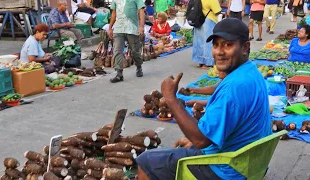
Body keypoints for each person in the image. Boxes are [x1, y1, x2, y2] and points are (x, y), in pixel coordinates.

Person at [136, 18, 272, 180]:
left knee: (145, 161)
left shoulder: (233, 87)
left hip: (227, 169)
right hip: (249, 163)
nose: (219, 52)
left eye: (227, 45)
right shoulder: (250, 72)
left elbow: (202, 140)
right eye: (216, 45)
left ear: (245, 48)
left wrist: (171, 99)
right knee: (186, 146)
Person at [108, 0, 145, 83]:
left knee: (135, 50)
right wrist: (110, 27)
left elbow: (141, 11)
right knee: (117, 50)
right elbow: (114, 13)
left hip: (132, 28)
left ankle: (139, 67)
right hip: (119, 28)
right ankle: (119, 74)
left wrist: (141, 26)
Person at [192, 0, 221, 69]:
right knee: (208, 41)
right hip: (208, 20)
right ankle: (207, 63)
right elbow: (217, 11)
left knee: (198, 41)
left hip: (198, 20)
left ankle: (200, 61)